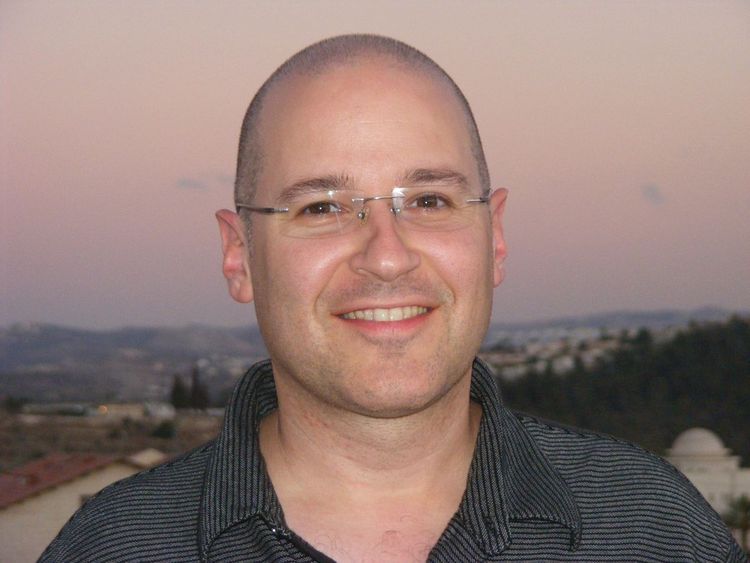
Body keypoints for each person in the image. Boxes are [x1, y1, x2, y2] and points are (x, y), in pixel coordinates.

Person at [41, 34, 744, 563]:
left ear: (495, 236)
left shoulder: (658, 532)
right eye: (321, 206)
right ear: (239, 256)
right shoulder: (112, 547)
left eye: (430, 199)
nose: (386, 254)